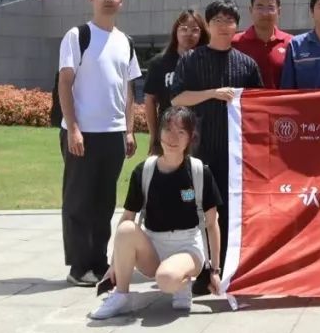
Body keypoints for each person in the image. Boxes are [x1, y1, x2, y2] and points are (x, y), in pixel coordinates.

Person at [90, 106, 223, 318]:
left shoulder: (200, 172)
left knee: (166, 278)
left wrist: (214, 271)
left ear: (191, 137)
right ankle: (121, 295)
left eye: (181, 132)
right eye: (168, 130)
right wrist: (114, 264)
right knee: (126, 228)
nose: (172, 138)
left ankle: (181, 282)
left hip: (188, 247)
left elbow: (212, 223)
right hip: (153, 246)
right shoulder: (144, 171)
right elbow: (127, 218)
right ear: (159, 133)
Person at [57, 0, 142, 287]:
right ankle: (79, 266)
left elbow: (128, 89)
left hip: (114, 133)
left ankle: (98, 261)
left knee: (104, 203)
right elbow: (65, 82)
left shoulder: (126, 41)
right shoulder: (78, 35)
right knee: (79, 201)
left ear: (122, 1)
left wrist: (129, 130)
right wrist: (73, 128)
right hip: (83, 133)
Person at [170, 0, 263, 271]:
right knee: (198, 208)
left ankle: (228, 267)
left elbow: (259, 104)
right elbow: (177, 98)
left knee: (232, 210)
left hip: (236, 154)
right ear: (208, 26)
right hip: (200, 150)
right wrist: (212, 93)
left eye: (229, 21)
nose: (224, 26)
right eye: (217, 21)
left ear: (237, 26)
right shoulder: (190, 60)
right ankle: (199, 267)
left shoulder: (247, 64)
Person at [143, 9, 208, 155]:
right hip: (169, 132)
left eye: (195, 30)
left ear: (202, 33)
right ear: (175, 32)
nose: (188, 33)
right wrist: (154, 136)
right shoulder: (159, 63)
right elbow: (149, 100)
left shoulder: (208, 63)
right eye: (183, 28)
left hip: (200, 135)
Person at [232, 0, 293, 90]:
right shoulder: (235, 43)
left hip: (281, 100)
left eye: (270, 8)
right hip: (247, 100)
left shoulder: (291, 43)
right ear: (251, 10)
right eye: (259, 7)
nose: (265, 13)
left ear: (279, 11)